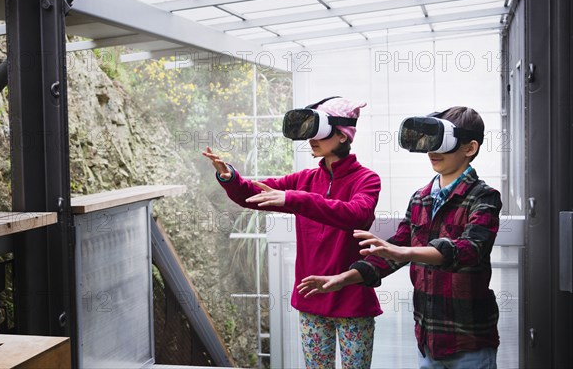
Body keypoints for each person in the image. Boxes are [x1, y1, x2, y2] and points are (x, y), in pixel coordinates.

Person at [299, 106, 502, 369]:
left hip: (469, 340)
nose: (431, 150)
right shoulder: (421, 197)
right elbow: (394, 249)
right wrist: (345, 278)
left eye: (440, 142)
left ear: (469, 148)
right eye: (428, 142)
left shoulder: (484, 197)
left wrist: (405, 252)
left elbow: (469, 249)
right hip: (428, 338)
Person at [203, 97, 382, 368]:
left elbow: (357, 214)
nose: (311, 139)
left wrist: (294, 199)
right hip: (311, 298)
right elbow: (253, 193)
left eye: (318, 131)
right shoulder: (305, 180)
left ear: (343, 136)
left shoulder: (367, 179)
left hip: (352, 298)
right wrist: (230, 177)